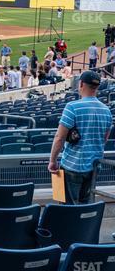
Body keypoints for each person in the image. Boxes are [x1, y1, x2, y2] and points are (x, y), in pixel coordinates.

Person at [49, 71, 112, 204]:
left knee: (67, 209)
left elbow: (59, 138)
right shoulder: (106, 111)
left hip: (72, 165)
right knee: (84, 206)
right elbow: (104, 139)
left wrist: (52, 161)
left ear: (81, 84)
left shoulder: (72, 107)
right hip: (94, 167)